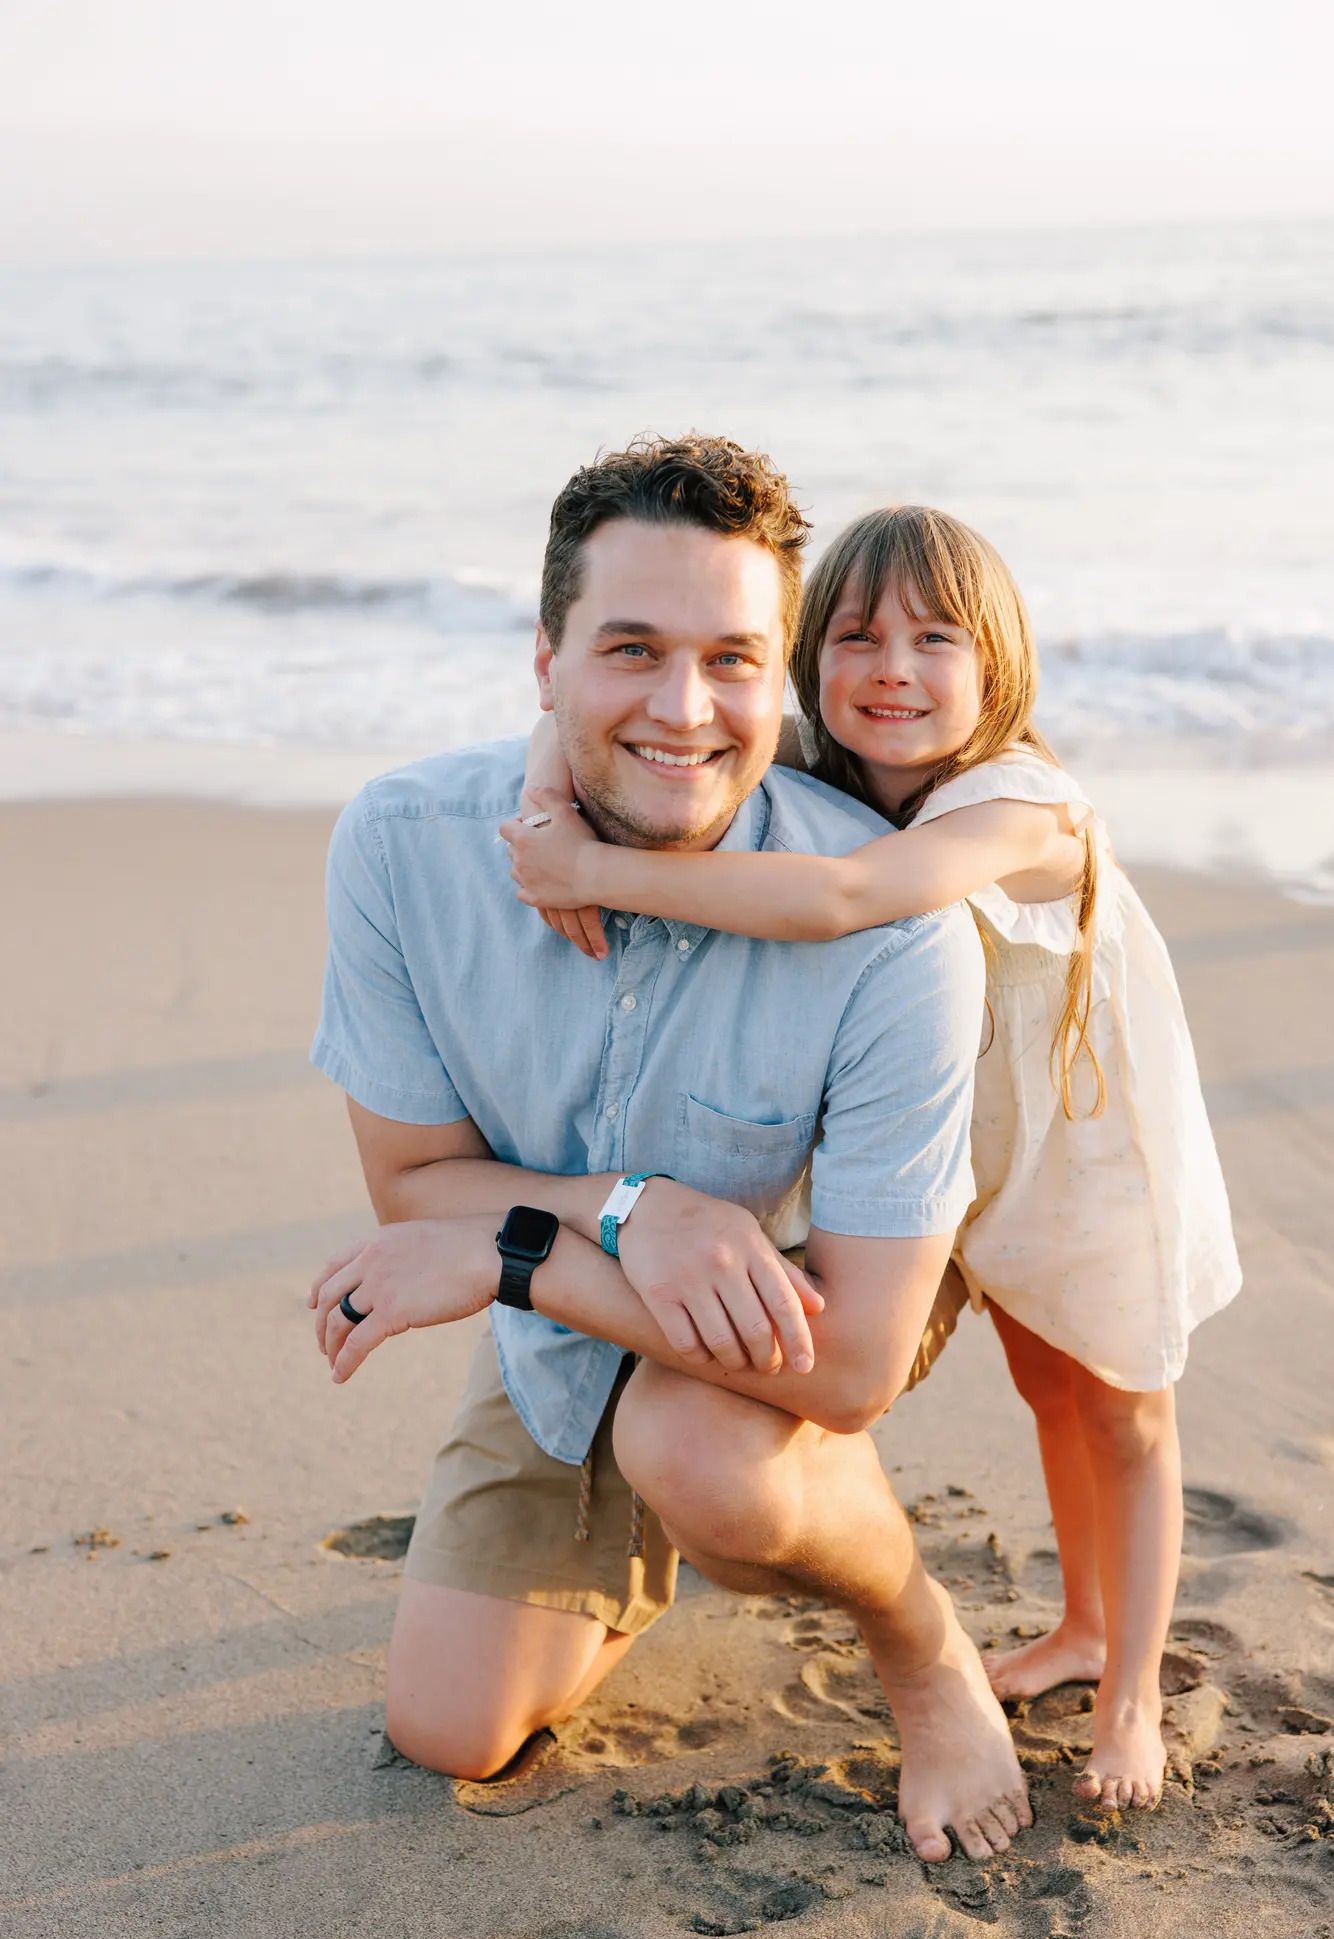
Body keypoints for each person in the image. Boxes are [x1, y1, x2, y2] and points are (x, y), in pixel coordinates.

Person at [308, 436, 1033, 1864]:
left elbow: (854, 1364)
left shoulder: (891, 934)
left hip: (813, 1291)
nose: (684, 708)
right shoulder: (404, 844)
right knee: (450, 1733)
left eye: (731, 659)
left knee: (702, 1450)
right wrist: (635, 1209)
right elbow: (411, 1189)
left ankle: (912, 1630)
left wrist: (521, 1254)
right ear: (546, 661)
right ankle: (641, 1515)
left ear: (780, 676)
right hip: (576, 1292)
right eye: (630, 650)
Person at [502, 502, 1242, 1814]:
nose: (892, 668)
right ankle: (1076, 1626)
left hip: (1082, 1160)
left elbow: (848, 900)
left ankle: (1125, 1696)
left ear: (996, 658)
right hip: (954, 1174)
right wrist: (546, 791)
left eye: (932, 636)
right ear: (806, 658)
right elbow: (625, 735)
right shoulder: (819, 775)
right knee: (1042, 1393)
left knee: (1118, 1409)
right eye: (854, 636)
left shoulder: (1022, 800)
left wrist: (600, 870)